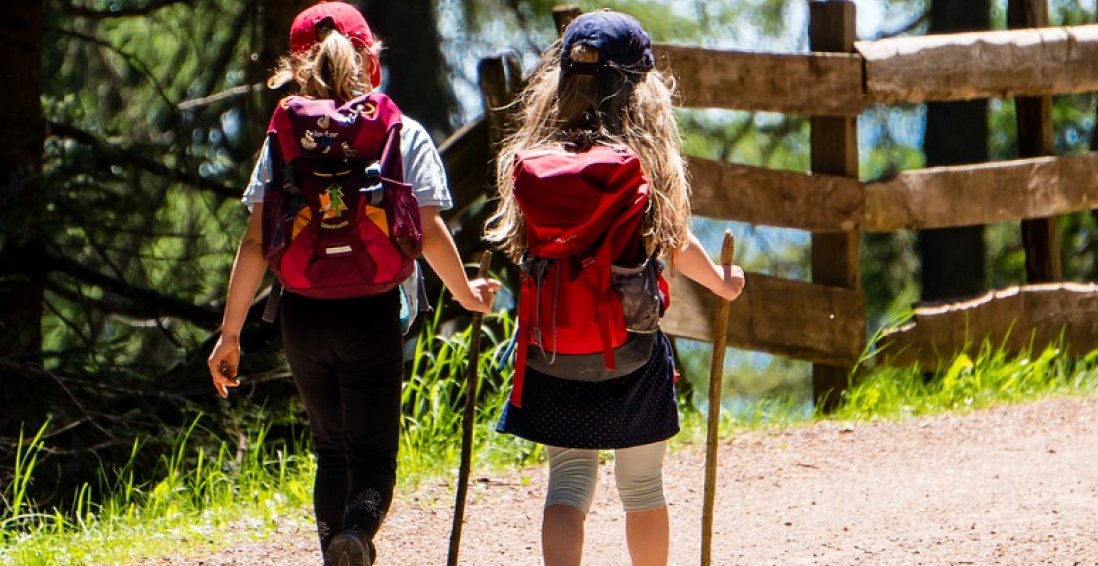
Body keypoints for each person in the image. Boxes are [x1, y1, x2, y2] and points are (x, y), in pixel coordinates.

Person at [206, 2, 499, 565]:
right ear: (372, 61)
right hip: (373, 312)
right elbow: (429, 232)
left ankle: (333, 553)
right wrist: (465, 295)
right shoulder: (399, 131)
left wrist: (231, 334)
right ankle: (357, 536)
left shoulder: (283, 139)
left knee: (330, 451)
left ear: (298, 67)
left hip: (303, 314)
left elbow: (254, 243)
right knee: (372, 458)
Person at [484, 10, 745, 566]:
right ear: (641, 87)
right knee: (643, 486)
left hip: (549, 352)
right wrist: (721, 285)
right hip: (629, 353)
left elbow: (518, 244)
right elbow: (673, 242)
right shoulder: (643, 161)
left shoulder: (531, 160)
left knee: (567, 483)